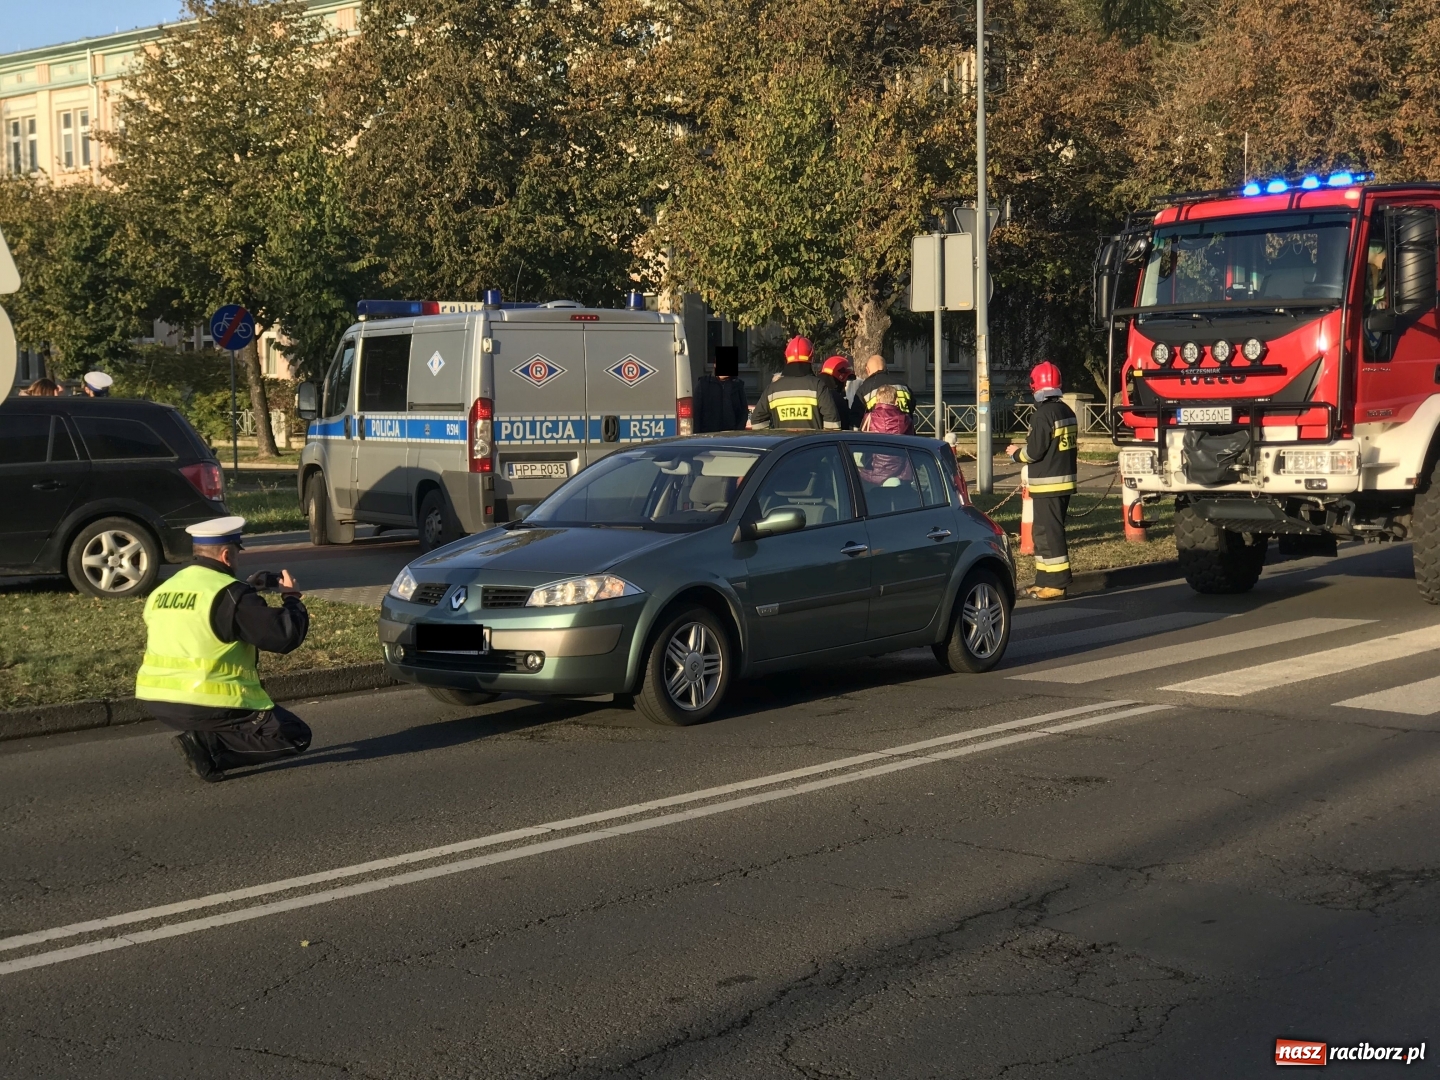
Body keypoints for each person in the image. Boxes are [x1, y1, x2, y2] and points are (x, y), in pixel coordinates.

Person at [135, 516, 314, 782]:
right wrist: (292, 598)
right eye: (237, 554)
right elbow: (284, 637)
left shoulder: (165, 589)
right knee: (294, 735)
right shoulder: (232, 596)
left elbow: (204, 618)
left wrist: (245, 592)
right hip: (208, 702)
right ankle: (209, 747)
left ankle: (205, 743)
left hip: (157, 699)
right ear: (227, 555)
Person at [1006, 361, 1078, 601]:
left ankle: (1056, 584)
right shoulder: (1066, 411)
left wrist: (1016, 453)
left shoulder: (1042, 415)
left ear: (1035, 386)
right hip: (1060, 482)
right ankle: (1043, 580)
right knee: (1042, 533)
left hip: (1048, 484)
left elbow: (1034, 452)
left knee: (1050, 534)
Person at [747, 335, 845, 431]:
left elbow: (756, 420)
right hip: (812, 446)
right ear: (811, 358)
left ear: (787, 357)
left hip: (783, 446)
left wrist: (772, 437)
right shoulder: (818, 386)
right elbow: (833, 424)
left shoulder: (772, 389)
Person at [693, 345, 749, 432]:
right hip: (708, 436)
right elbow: (696, 413)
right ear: (715, 364)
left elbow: (743, 412)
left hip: (731, 436)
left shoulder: (737, 385)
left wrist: (738, 431)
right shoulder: (704, 384)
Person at [854, 354, 916, 430]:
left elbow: (856, 419)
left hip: (876, 438)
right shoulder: (903, 385)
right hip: (904, 436)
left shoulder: (864, 389)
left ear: (867, 370)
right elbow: (912, 406)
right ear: (886, 368)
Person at [818, 355, 859, 429]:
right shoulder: (837, 400)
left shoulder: (815, 390)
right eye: (845, 381)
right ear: (839, 378)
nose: (846, 385)